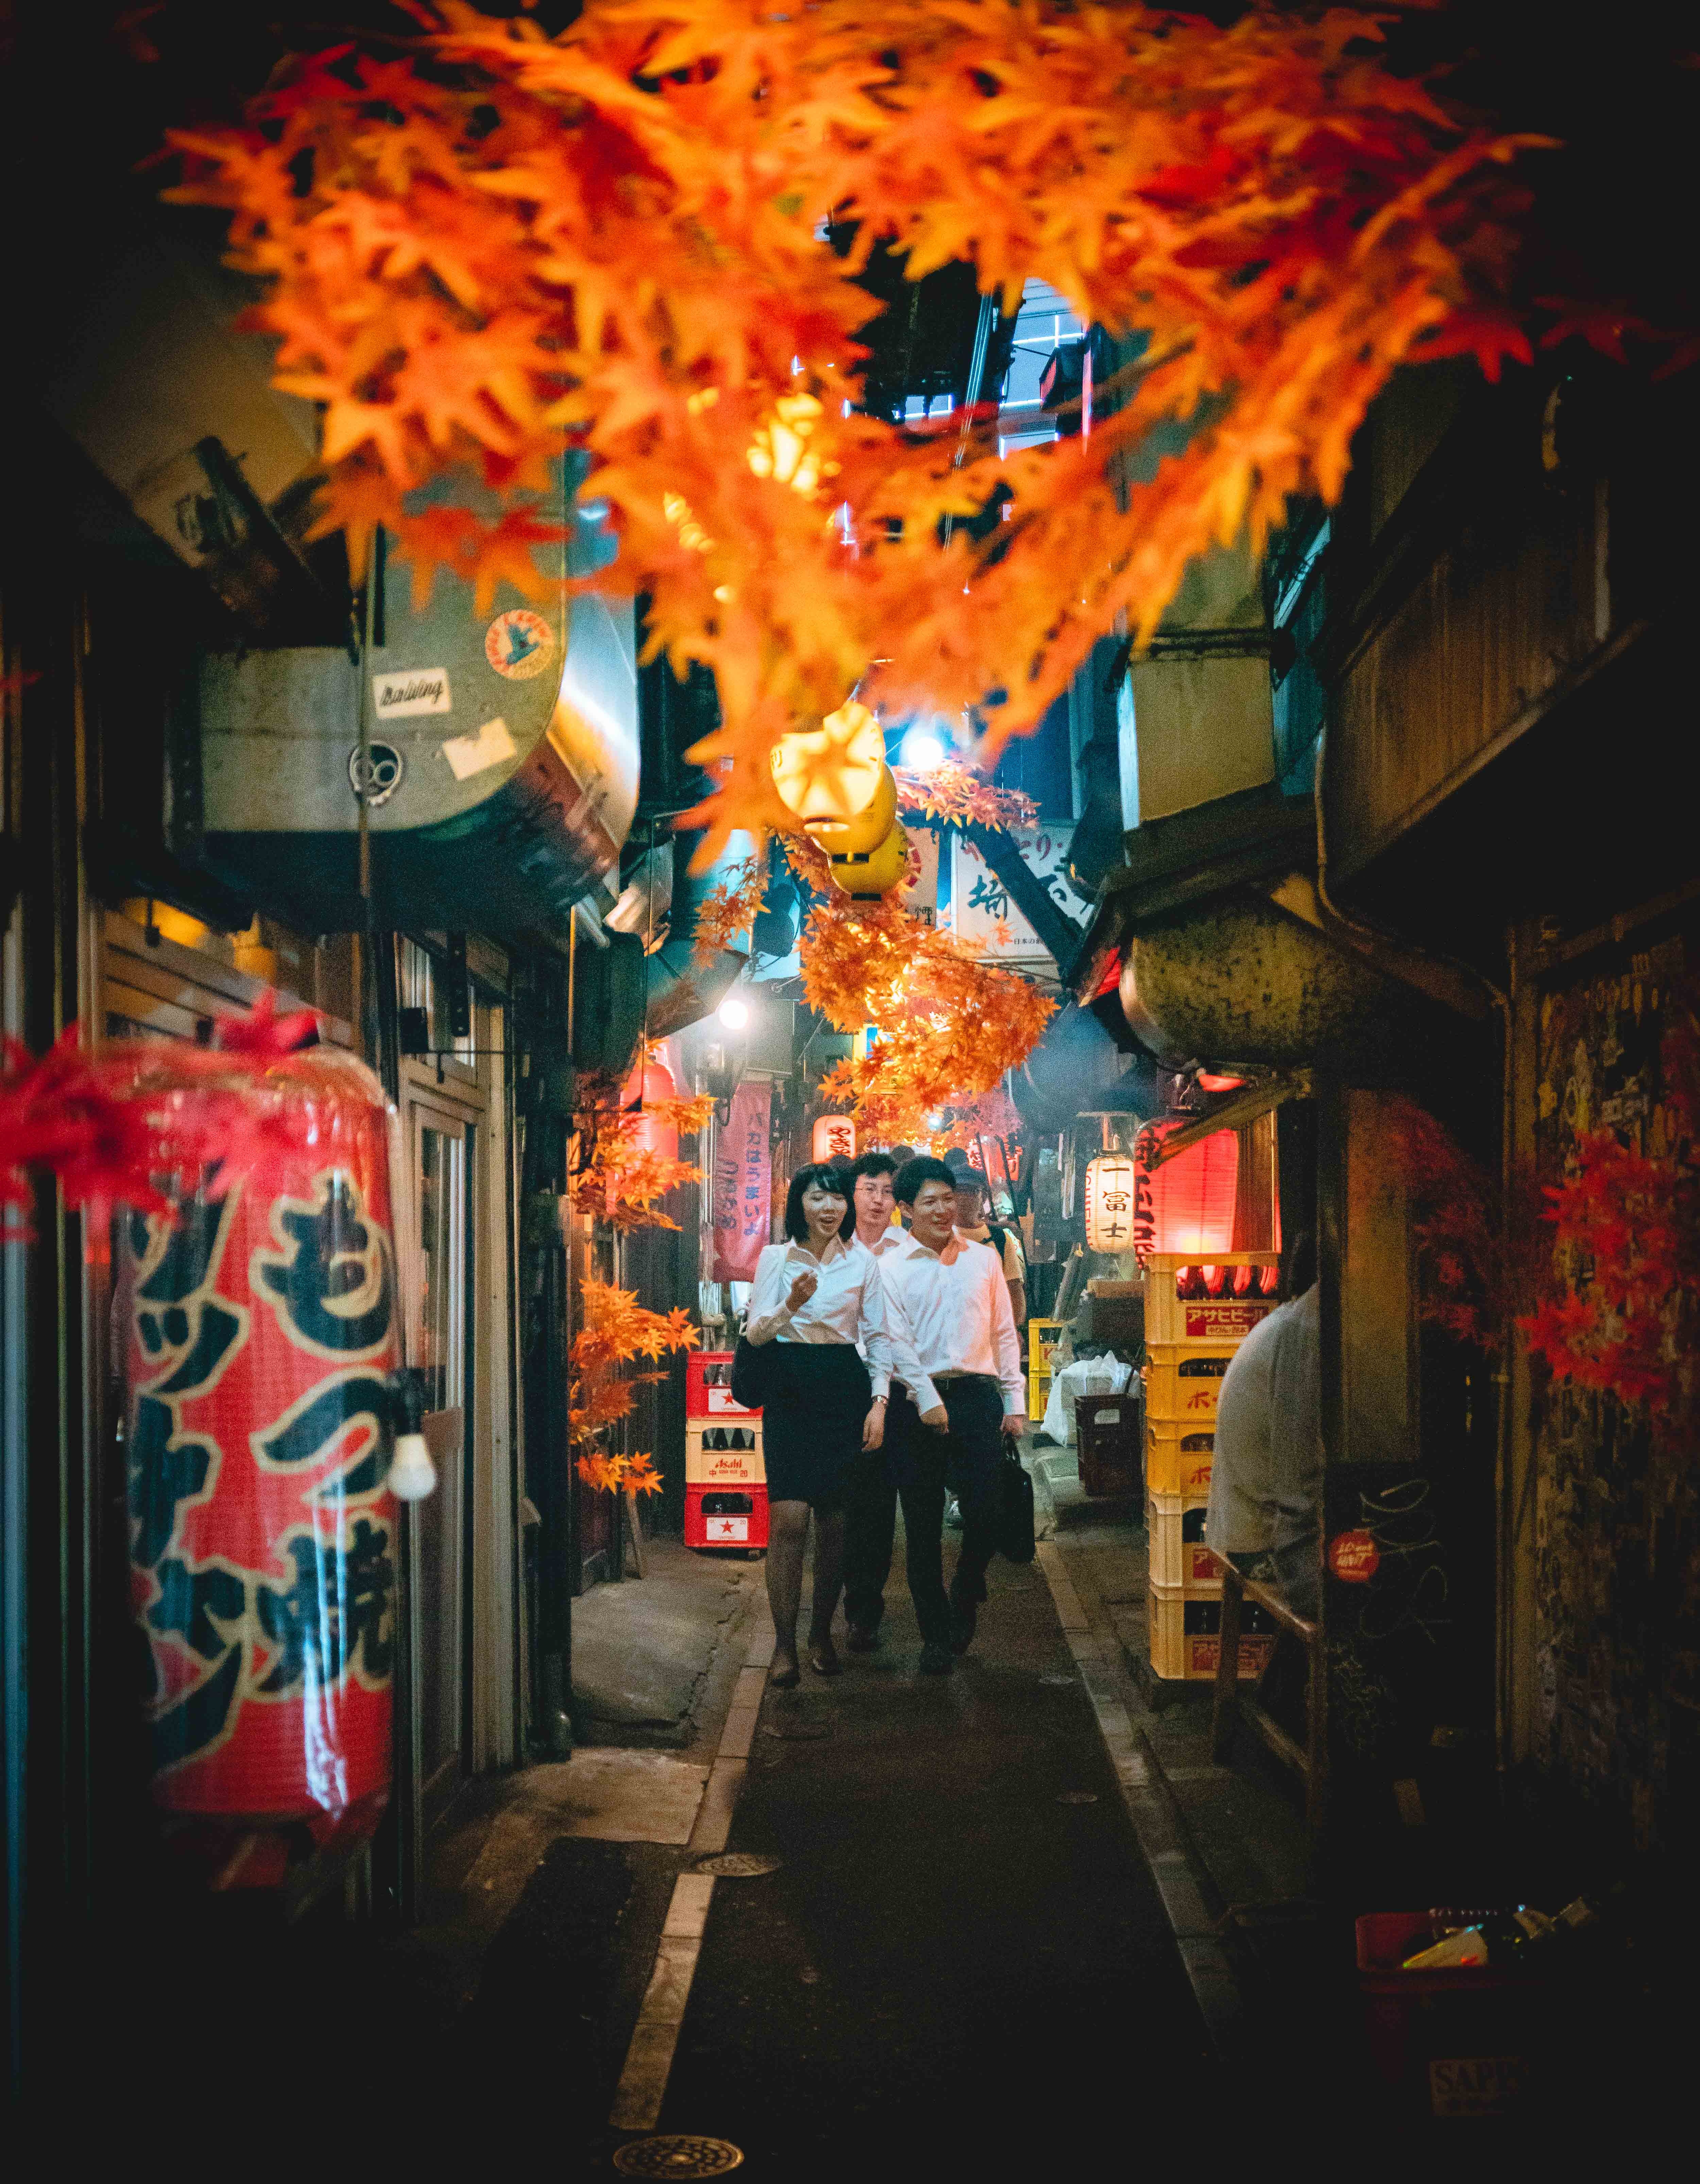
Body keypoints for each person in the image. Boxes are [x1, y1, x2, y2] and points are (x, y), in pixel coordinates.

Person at [746, 1162, 893, 1686]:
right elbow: (756, 1333)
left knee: (835, 1525)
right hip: (790, 1386)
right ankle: (784, 1645)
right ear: (799, 1206)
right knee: (788, 1522)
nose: (830, 1208)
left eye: (836, 1199)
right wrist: (792, 1305)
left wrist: (879, 1404)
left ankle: (821, 1633)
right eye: (817, 1198)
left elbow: (878, 1339)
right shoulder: (775, 1258)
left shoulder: (863, 1264)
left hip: (843, 1387)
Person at [880, 1156, 1026, 1674]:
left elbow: (1003, 1333)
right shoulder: (889, 1268)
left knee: (986, 1511)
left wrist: (1015, 1402)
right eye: (931, 1202)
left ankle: (967, 1586)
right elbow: (894, 1341)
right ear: (905, 1210)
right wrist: (926, 1399)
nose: (945, 1209)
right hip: (913, 1405)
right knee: (920, 1527)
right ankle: (935, 1633)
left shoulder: (984, 1260)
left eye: (949, 1198)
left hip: (976, 1397)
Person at [1204, 1230, 1322, 1619]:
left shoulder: (1294, 1320)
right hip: (1260, 1544)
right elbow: (1297, 1471)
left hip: (1249, 1529)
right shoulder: (1305, 1328)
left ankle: (1287, 1681)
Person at [837, 1151, 914, 1652]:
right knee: (842, 1504)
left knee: (879, 1505)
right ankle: (839, 1602)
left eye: (887, 1191)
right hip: (841, 1388)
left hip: (899, 1392)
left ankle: (865, 1609)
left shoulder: (910, 1250)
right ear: (852, 1195)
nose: (878, 1201)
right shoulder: (829, 1249)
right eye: (869, 1189)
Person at [950, 1163, 1026, 1328]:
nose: (964, 1198)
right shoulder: (940, 1238)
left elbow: (1015, 1292)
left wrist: (1008, 1333)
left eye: (972, 1191)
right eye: (958, 1191)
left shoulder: (999, 1239)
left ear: (983, 1197)